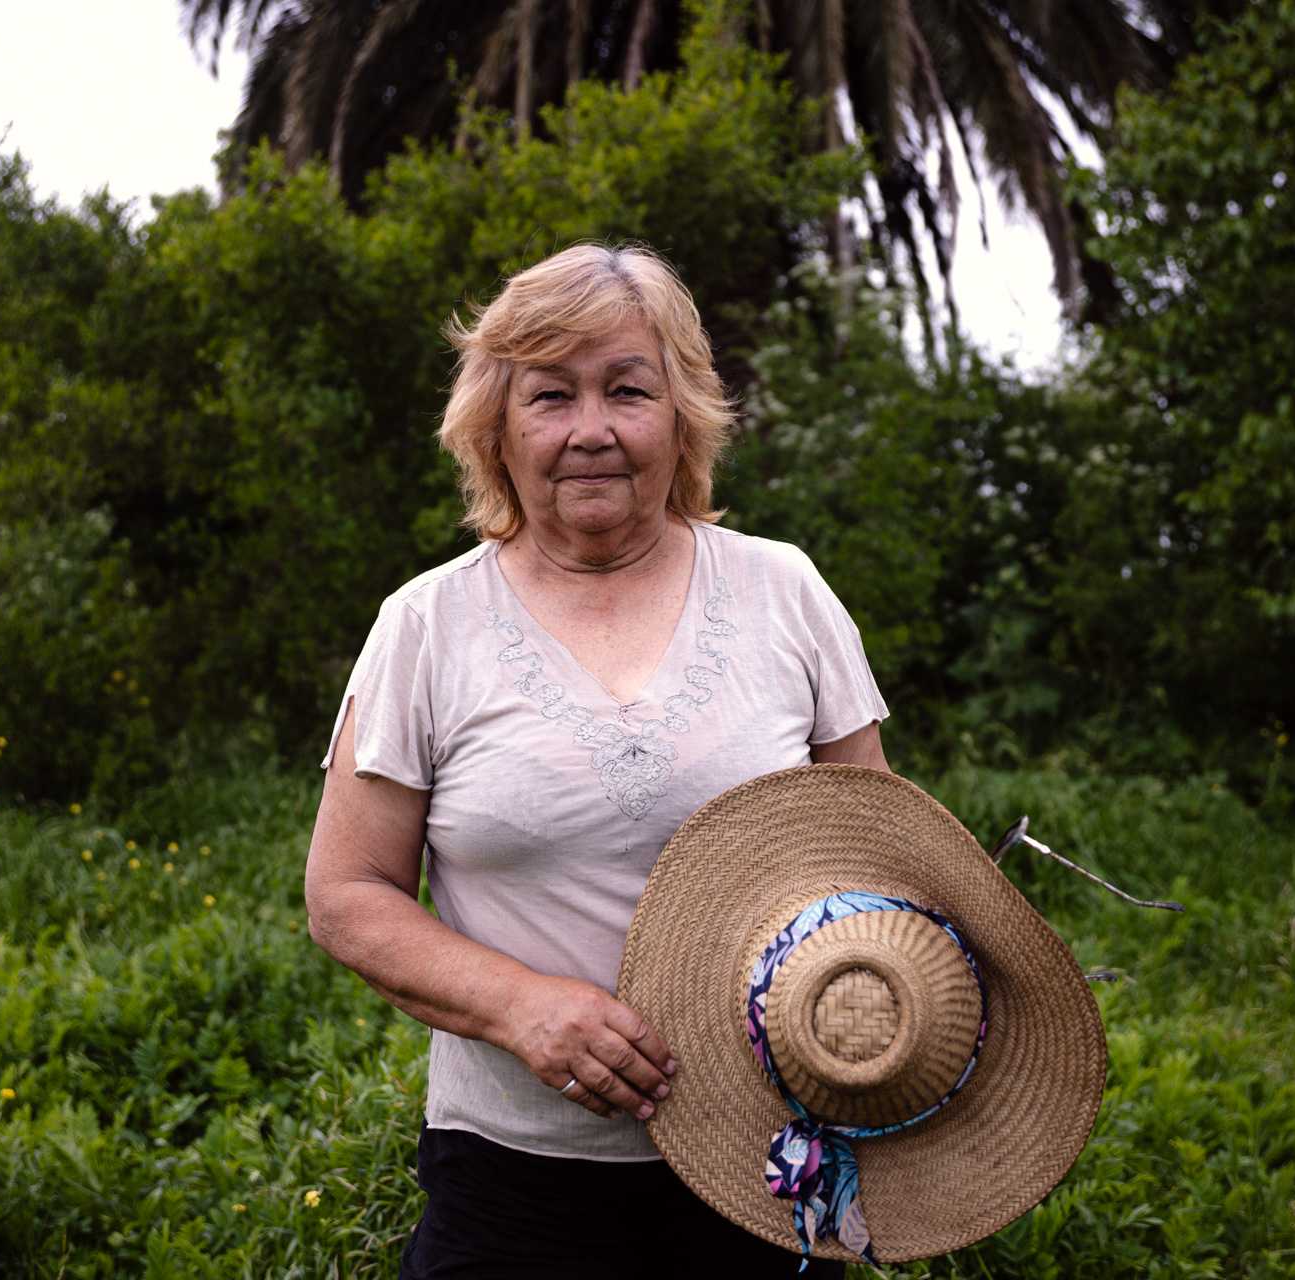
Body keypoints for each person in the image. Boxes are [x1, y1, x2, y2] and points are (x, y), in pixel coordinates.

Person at [307, 243, 890, 1278]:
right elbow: (348, 892)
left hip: (766, 1164)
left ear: (681, 415)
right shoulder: (425, 624)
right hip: (512, 1176)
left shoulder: (784, 592)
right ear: (496, 425)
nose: (591, 430)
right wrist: (519, 1004)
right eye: (550, 395)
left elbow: (879, 856)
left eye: (628, 389)